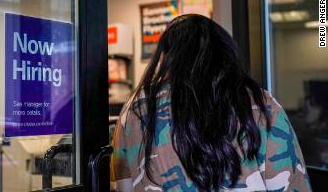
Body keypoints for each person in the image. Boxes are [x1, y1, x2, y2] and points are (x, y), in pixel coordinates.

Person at [111, 14, 311, 191]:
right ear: (223, 53)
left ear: (166, 57)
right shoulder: (260, 103)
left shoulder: (134, 109)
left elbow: (122, 184)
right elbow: (291, 183)